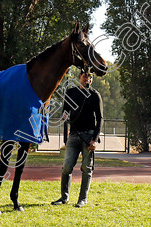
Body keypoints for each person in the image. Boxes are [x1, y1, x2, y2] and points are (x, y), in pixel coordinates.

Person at [51, 69, 103, 208]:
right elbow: (65, 112)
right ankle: (64, 198)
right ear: (79, 77)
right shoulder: (71, 92)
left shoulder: (95, 95)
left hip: (88, 137)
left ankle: (82, 199)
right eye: (85, 76)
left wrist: (94, 139)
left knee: (87, 169)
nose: (88, 79)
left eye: (90, 77)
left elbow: (100, 118)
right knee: (66, 167)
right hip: (73, 136)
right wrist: (65, 119)